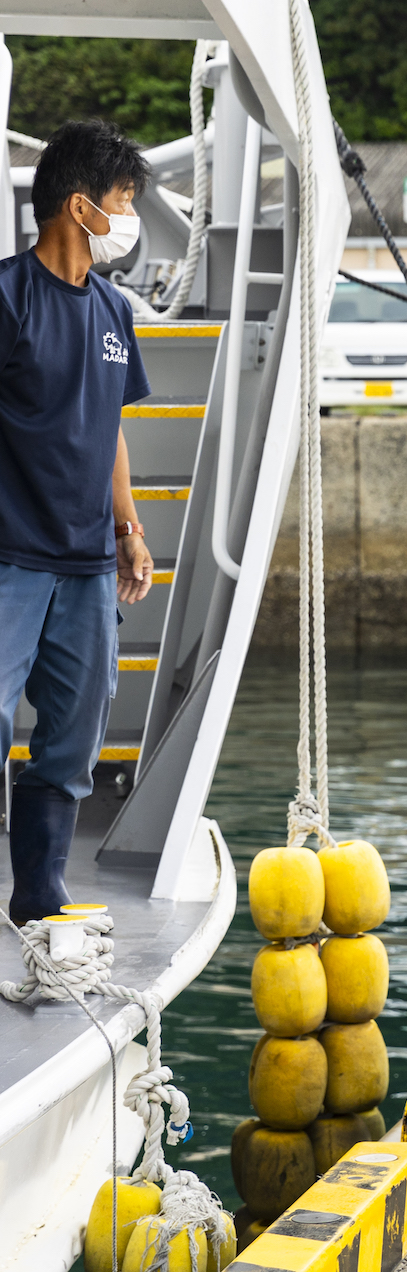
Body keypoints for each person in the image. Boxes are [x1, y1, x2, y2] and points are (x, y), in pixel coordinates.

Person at [1, 120, 155, 924]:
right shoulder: (5, 296)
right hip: (11, 557)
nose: (129, 218)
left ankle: (39, 891)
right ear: (79, 205)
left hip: (89, 562)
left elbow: (112, 426)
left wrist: (129, 529)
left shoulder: (112, 308)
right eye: (123, 200)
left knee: (73, 734)